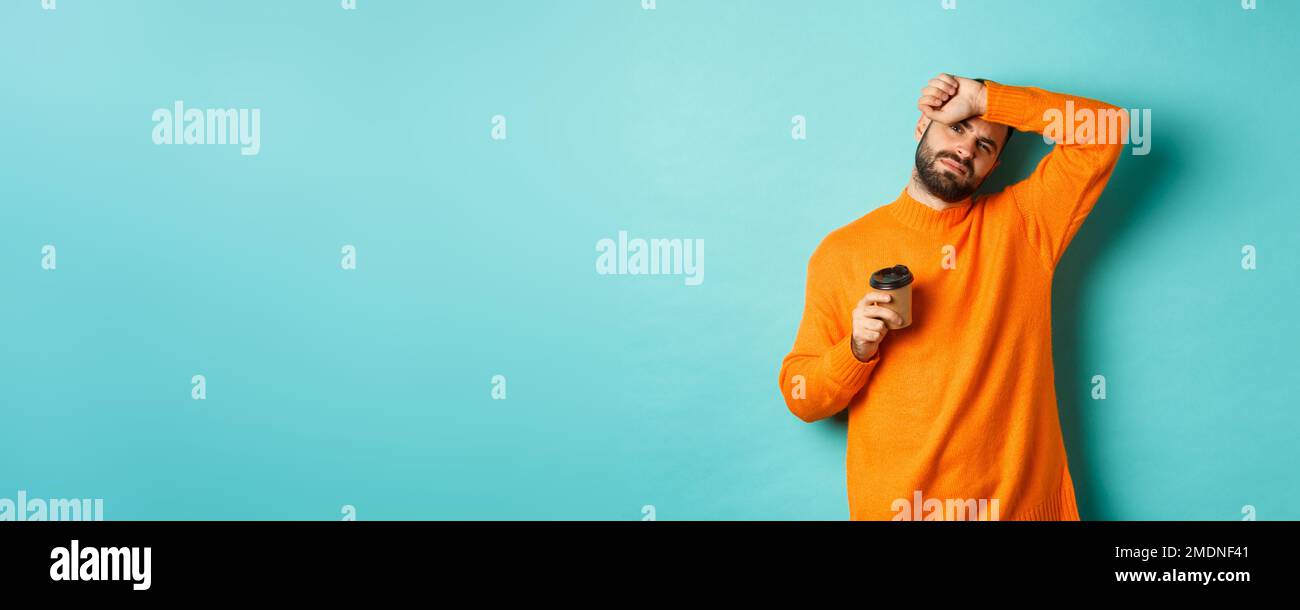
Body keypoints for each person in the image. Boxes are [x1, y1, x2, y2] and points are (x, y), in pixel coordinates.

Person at [777, 74, 1126, 520]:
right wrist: (856, 350)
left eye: (985, 145)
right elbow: (802, 397)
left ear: (995, 166)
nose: (966, 149)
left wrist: (983, 98)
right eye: (957, 127)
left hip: (1020, 509)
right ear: (922, 125)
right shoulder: (842, 251)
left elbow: (1108, 128)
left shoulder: (1024, 225)